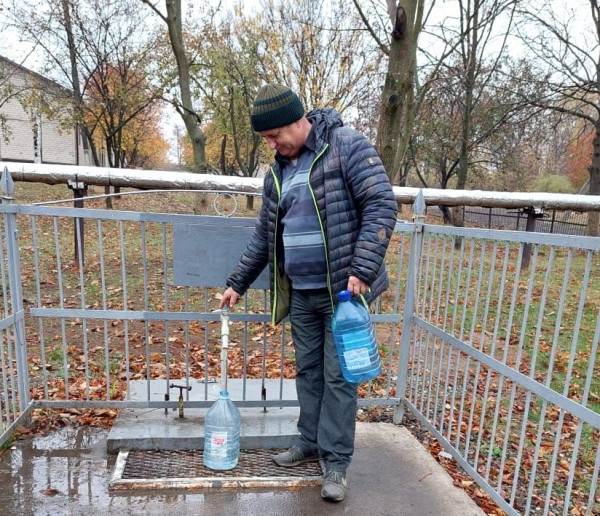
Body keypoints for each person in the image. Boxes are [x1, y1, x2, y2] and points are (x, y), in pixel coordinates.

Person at [219, 84, 397, 503]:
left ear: (298, 120)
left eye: (275, 135)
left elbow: (381, 204)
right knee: (309, 372)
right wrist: (237, 282)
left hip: (344, 295)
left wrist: (362, 268)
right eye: (266, 139)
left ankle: (335, 463)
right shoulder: (277, 172)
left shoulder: (346, 146)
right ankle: (310, 442)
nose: (272, 144)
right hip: (301, 292)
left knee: (339, 378)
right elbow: (265, 234)